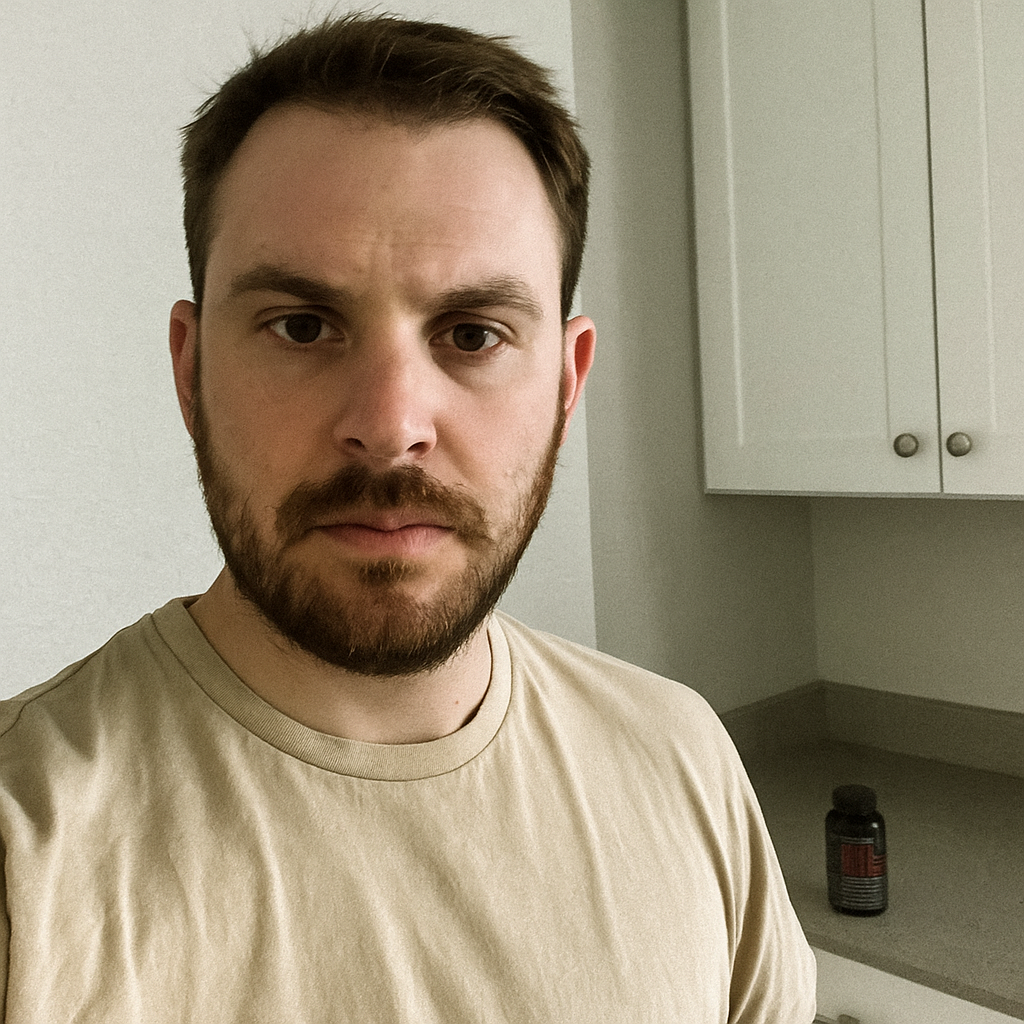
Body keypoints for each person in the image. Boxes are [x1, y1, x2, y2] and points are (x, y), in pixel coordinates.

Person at [0, 13, 816, 1021]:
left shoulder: (683, 761)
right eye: (301, 325)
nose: (389, 430)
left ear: (566, 383)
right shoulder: (22, 850)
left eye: (473, 334)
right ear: (190, 366)